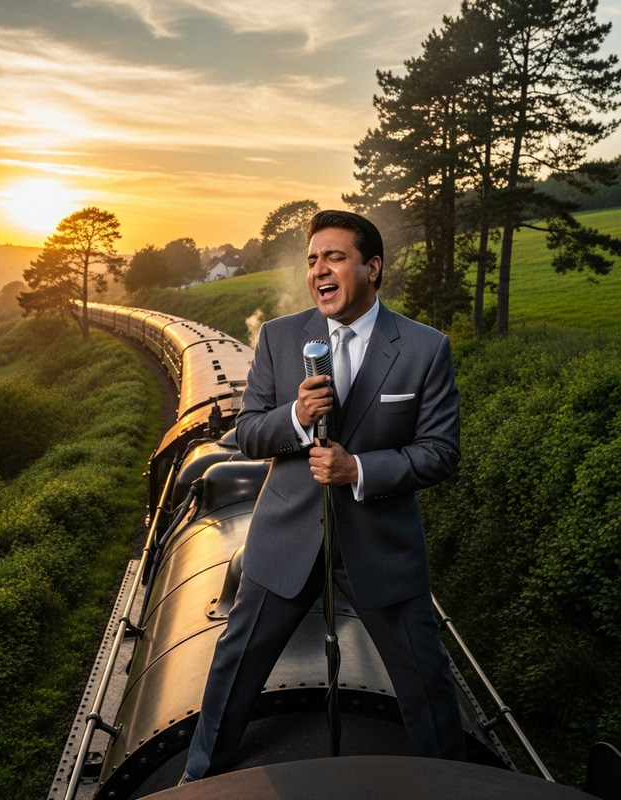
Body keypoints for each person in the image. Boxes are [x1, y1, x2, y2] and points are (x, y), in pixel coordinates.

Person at [180, 209, 466, 784]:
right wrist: (296, 416)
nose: (319, 270)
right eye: (312, 260)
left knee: (428, 680)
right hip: (287, 537)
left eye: (334, 257)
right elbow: (249, 432)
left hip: (380, 546)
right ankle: (199, 776)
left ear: (372, 267)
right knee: (234, 664)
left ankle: (456, 785)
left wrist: (357, 468)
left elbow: (440, 452)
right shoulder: (280, 337)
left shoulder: (424, 348)